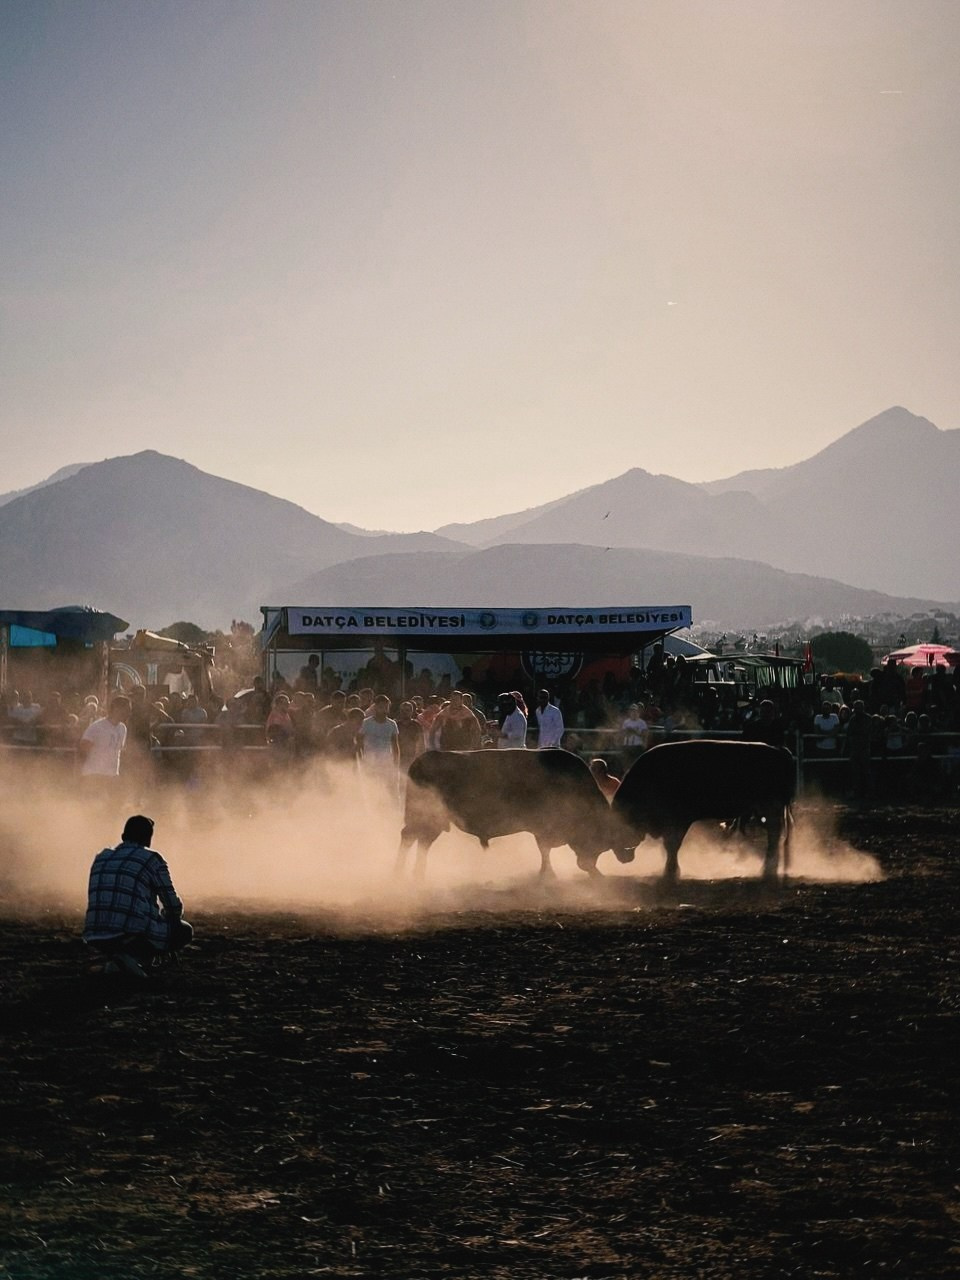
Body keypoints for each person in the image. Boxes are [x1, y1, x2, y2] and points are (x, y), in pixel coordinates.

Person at [83, 814, 193, 979]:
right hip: (129, 934)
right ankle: (131, 961)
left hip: (94, 934)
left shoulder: (101, 857)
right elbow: (173, 906)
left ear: (123, 836)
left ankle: (121, 961)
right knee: (184, 930)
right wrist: (170, 918)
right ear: (148, 840)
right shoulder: (152, 859)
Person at [77, 695, 130, 790]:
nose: (128, 713)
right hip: (94, 774)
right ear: (116, 709)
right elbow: (83, 748)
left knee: (113, 804)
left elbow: (118, 752)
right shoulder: (97, 727)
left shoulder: (122, 728)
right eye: (126, 709)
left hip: (112, 776)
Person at [358, 694, 401, 797]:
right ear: (375, 707)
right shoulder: (366, 723)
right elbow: (359, 742)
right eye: (381, 707)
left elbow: (395, 745)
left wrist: (396, 764)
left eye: (386, 707)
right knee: (371, 788)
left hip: (386, 762)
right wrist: (360, 760)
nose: (384, 710)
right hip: (369, 762)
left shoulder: (392, 724)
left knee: (388, 789)